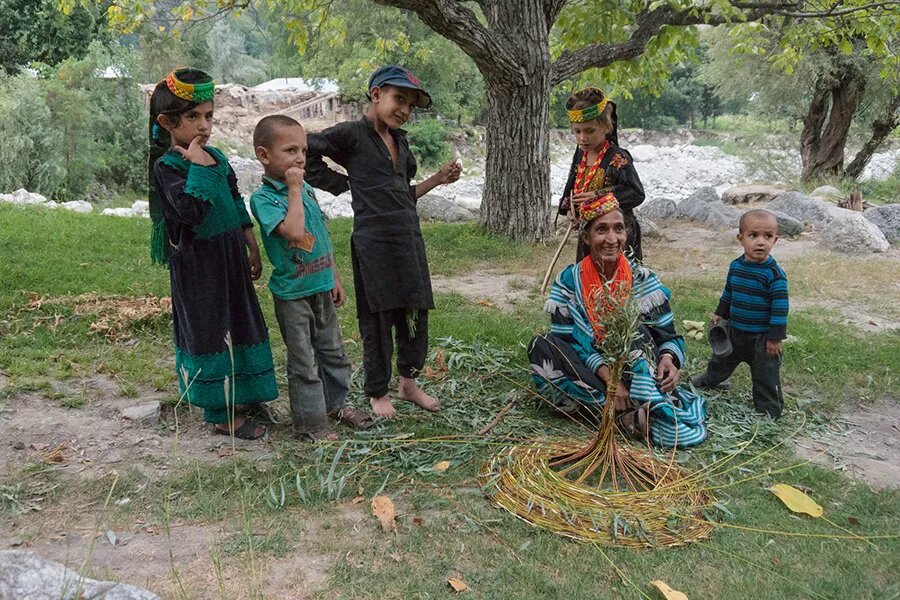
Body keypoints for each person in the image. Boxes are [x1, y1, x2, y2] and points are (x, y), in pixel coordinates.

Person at [305, 65, 461, 419]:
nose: (404, 109)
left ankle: (409, 382)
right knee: (377, 317)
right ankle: (377, 390)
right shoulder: (351, 136)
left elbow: (403, 193)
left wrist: (438, 179)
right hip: (373, 242)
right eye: (398, 98)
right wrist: (341, 184)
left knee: (414, 310)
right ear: (376, 94)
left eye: (410, 105)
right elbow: (306, 146)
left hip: (408, 238)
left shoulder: (401, 143)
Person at [148, 68, 278, 440]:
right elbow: (192, 211)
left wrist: (250, 242)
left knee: (240, 323)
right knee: (210, 330)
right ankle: (221, 413)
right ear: (167, 122)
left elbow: (235, 201)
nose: (203, 126)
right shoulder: (168, 168)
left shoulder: (217, 157)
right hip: (198, 269)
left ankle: (247, 395)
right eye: (193, 117)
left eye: (208, 116)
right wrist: (200, 168)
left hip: (230, 259)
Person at [529, 194, 707, 448]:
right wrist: (610, 380)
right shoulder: (569, 282)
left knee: (634, 333)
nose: (612, 239)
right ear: (586, 237)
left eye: (618, 229)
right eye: (601, 230)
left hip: (636, 370)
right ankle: (621, 409)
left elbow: (667, 337)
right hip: (592, 369)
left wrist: (669, 360)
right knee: (542, 345)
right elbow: (566, 340)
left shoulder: (643, 280)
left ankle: (620, 408)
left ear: (627, 235)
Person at [249, 115, 373, 441]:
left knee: (333, 352)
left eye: (303, 150)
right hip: (292, 294)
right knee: (303, 361)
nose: (301, 158)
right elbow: (294, 231)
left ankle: (336, 405)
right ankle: (311, 422)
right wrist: (292, 189)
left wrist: (334, 276)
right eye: (290, 150)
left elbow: (318, 234)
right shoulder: (263, 199)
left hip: (320, 285)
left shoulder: (304, 188)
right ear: (264, 155)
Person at [692, 209, 788, 419]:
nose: (760, 242)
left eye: (768, 236)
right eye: (753, 236)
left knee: (765, 375)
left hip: (762, 339)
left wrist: (774, 338)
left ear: (776, 240)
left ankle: (769, 411)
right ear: (741, 238)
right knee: (721, 360)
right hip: (736, 331)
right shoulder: (736, 267)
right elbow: (729, 293)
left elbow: (780, 308)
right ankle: (711, 381)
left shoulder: (774, 274)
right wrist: (720, 313)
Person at [557, 88, 646, 262]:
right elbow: (572, 185)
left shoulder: (617, 157)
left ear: (605, 126)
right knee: (590, 280)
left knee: (619, 281)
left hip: (618, 235)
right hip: (590, 234)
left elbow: (636, 193)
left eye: (589, 131)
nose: (582, 138)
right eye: (577, 131)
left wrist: (598, 196)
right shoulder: (580, 154)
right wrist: (570, 209)